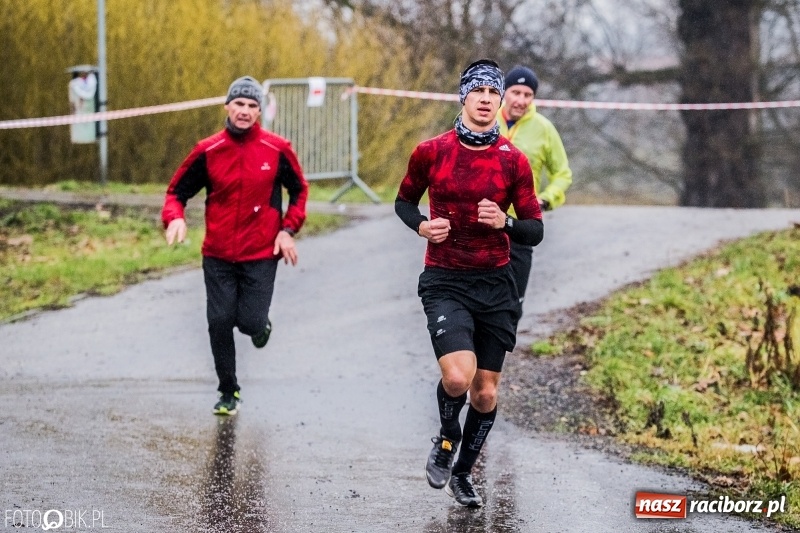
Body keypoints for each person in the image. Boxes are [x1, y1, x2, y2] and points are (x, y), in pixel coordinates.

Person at [395, 59, 544, 507]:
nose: (485, 100)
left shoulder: (513, 161)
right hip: (445, 279)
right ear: (463, 96)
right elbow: (404, 202)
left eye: (492, 93)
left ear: (501, 101)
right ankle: (446, 438)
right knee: (458, 378)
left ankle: (462, 473)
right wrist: (421, 226)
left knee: (485, 390)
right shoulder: (431, 151)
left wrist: (506, 221)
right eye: (477, 91)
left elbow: (534, 229)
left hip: (495, 284)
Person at [162, 75, 308, 416]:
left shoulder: (277, 149)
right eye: (238, 104)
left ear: (260, 111)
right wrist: (175, 217)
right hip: (218, 255)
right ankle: (228, 390)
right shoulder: (208, 150)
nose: (244, 111)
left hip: (261, 252)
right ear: (226, 106)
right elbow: (176, 193)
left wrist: (288, 229)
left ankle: (262, 326)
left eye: (251, 105)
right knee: (219, 321)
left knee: (251, 323)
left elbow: (299, 190)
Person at [497, 65, 573, 311]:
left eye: (527, 95)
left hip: (520, 226)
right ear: (504, 92)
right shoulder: (484, 119)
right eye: (515, 92)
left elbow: (562, 173)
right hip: (482, 225)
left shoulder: (544, 128)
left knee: (511, 306)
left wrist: (546, 199)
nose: (520, 100)